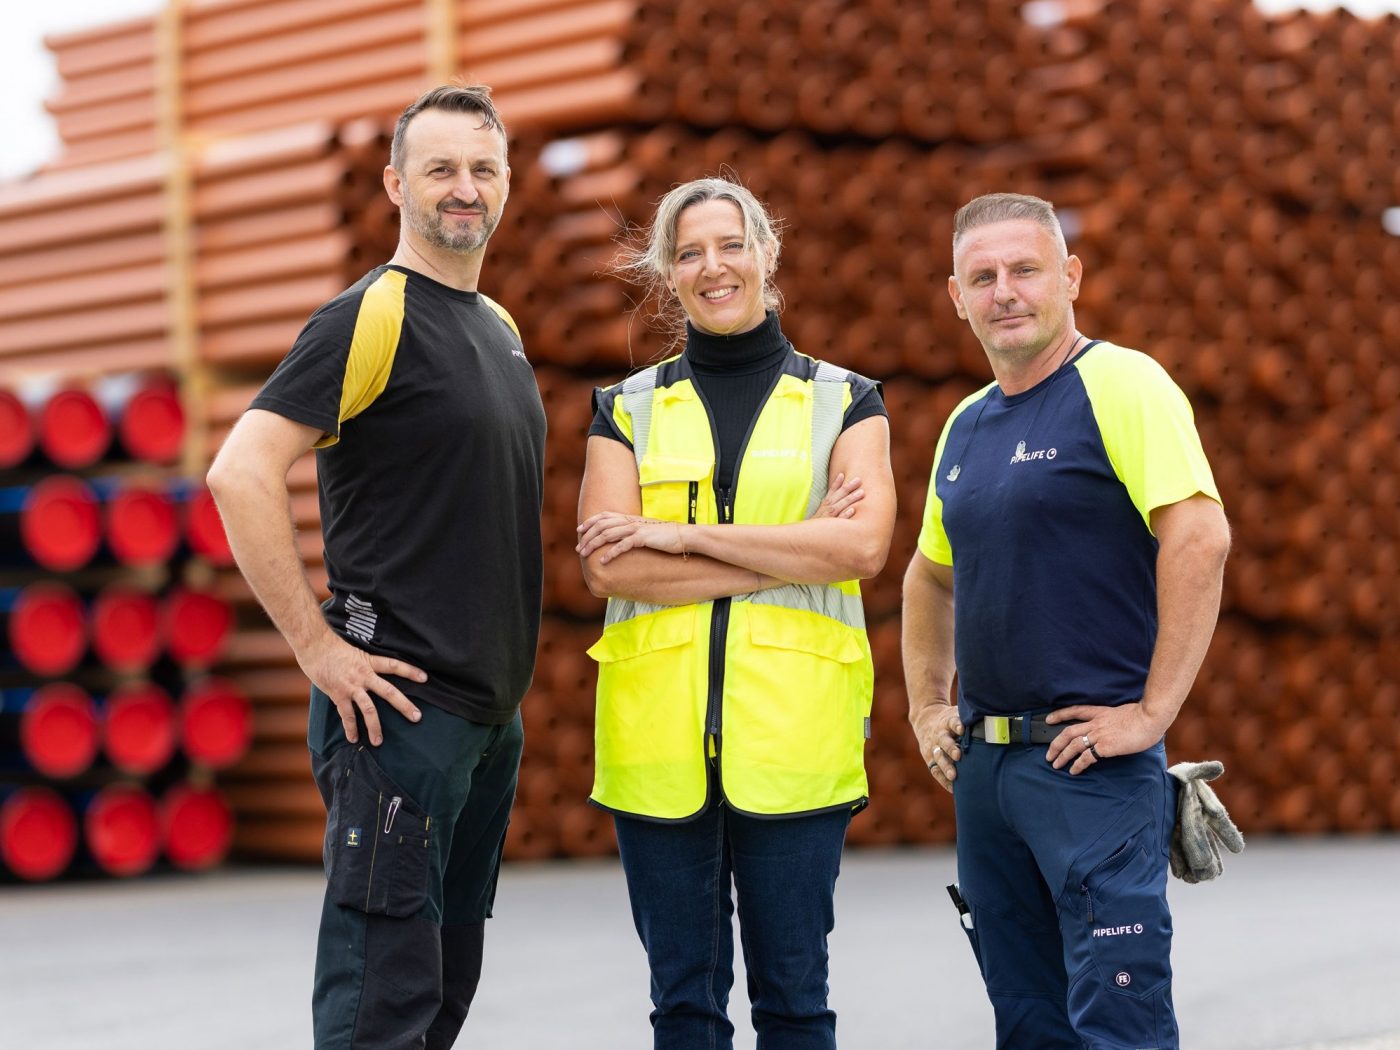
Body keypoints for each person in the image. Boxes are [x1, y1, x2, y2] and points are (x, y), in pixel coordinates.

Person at [206, 84, 544, 1050]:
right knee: (378, 1008)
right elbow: (240, 473)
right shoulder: (369, 317)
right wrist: (316, 647)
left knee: (440, 996)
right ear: (397, 183)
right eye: (441, 168)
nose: (465, 188)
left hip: (485, 721)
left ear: (508, 183)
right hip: (399, 716)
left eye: (484, 168)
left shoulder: (501, 330)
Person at [902, 192, 1231, 1049]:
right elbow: (929, 578)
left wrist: (1152, 715)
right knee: (1028, 1020)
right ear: (955, 296)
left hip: (1090, 767)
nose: (1004, 291)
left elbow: (1199, 536)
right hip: (988, 774)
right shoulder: (965, 424)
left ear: (1070, 276)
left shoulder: (1121, 383)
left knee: (1117, 1023)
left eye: (1024, 270)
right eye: (983, 277)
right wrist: (927, 707)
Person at [575, 177, 896, 1049]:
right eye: (688, 252)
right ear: (666, 273)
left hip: (795, 739)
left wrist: (676, 540)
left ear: (766, 255)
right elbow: (610, 567)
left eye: (730, 245)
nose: (713, 267)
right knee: (683, 1005)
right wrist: (786, 549)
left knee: (795, 1002)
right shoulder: (625, 409)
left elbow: (861, 549)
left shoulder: (846, 400)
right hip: (657, 745)